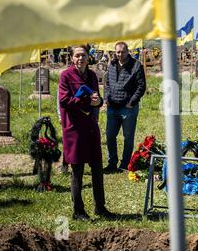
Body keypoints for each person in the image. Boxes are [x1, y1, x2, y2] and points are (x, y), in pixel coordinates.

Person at [58, 44, 114, 221]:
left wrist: (97, 102)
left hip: (91, 127)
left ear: (88, 58)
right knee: (78, 170)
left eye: (83, 55)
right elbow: (64, 100)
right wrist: (86, 101)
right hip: (74, 129)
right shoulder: (65, 76)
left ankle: (100, 207)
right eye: (77, 56)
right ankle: (78, 211)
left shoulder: (91, 75)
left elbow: (98, 98)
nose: (80, 58)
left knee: (97, 168)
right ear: (72, 58)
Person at [104, 42, 146, 172]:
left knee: (128, 137)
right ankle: (112, 163)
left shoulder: (136, 65)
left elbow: (141, 86)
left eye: (122, 52)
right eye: (117, 52)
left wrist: (132, 102)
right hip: (113, 107)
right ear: (115, 52)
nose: (120, 54)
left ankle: (125, 163)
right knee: (110, 136)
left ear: (127, 51)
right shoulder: (111, 64)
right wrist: (107, 98)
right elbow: (107, 84)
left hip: (128, 108)